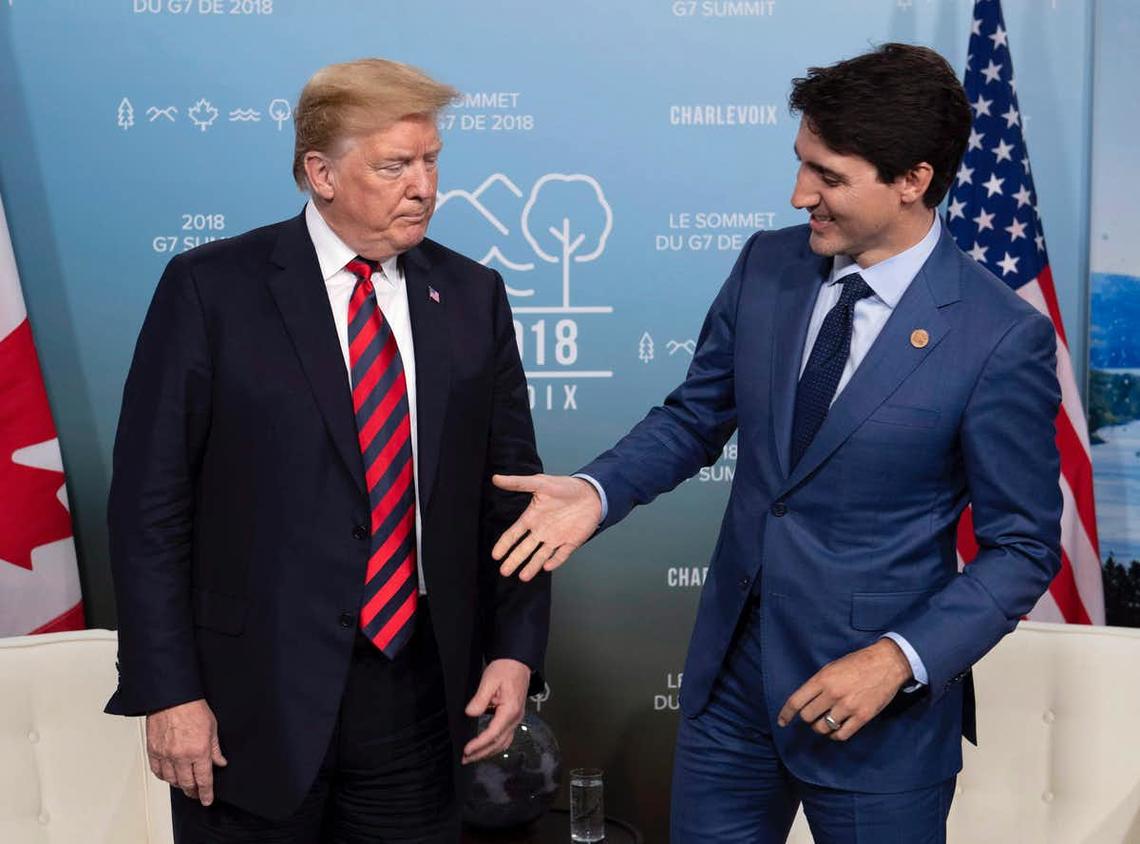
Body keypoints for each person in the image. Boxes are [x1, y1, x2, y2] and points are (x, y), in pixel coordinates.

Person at [492, 44, 1061, 843]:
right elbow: (695, 417)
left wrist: (899, 658)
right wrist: (597, 490)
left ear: (913, 180)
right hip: (729, 692)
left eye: (829, 176)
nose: (800, 195)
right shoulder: (767, 266)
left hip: (875, 717)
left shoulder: (1001, 338)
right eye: (802, 165)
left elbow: (1023, 547)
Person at [105, 58, 550, 843]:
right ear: (321, 173)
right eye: (394, 166)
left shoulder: (473, 297)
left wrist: (515, 653)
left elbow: (510, 495)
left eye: (430, 161)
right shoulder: (211, 289)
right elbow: (149, 506)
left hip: (416, 690)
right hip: (249, 700)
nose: (423, 186)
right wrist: (168, 693)